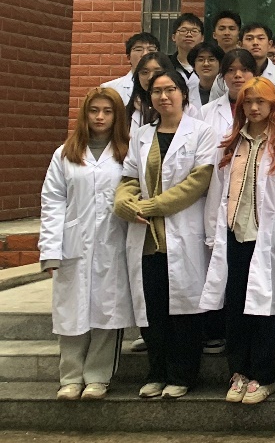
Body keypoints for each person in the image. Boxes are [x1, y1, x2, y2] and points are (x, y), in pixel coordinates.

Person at [113, 68, 216, 398]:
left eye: (170, 89)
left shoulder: (202, 132)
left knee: (184, 312)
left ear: (183, 93)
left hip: (183, 232)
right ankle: (156, 373)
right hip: (147, 239)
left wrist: (151, 206)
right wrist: (124, 201)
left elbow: (197, 182)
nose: (163, 96)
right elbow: (129, 178)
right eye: (156, 91)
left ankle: (182, 375)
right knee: (153, 310)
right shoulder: (142, 134)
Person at [200, 78, 275, 405]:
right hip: (234, 235)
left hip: (269, 238)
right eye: (248, 102)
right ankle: (239, 373)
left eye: (261, 101)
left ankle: (263, 376)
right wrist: (213, 234)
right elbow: (217, 191)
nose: (254, 108)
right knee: (235, 307)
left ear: (273, 104)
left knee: (264, 310)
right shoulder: (231, 142)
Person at [40, 88, 134, 401]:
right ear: (85, 114)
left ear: (117, 116)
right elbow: (53, 202)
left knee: (108, 311)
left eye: (107, 111)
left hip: (113, 242)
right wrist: (50, 250)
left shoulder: (127, 152)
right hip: (73, 244)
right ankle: (70, 377)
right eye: (94, 110)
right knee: (71, 312)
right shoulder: (65, 153)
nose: (100, 117)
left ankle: (97, 377)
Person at [200, 48, 257, 146]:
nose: (238, 75)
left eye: (244, 69)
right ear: (223, 76)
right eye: (231, 70)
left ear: (254, 74)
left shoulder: (265, 108)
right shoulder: (206, 111)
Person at [101, 32, 160, 105]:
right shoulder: (110, 88)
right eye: (138, 50)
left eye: (151, 50)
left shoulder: (169, 87)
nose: (145, 54)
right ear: (129, 57)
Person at [126, 51, 171, 128]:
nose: (150, 77)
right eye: (145, 72)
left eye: (157, 72)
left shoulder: (183, 108)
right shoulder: (128, 110)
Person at [170, 14, 205, 88]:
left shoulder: (208, 65)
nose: (189, 35)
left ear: (202, 38)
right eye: (183, 30)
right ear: (173, 37)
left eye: (194, 31)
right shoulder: (166, 65)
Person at [190, 42, 224, 109]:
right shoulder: (187, 94)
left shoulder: (228, 92)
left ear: (220, 65)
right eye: (200, 60)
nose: (206, 64)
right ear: (194, 65)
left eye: (211, 60)